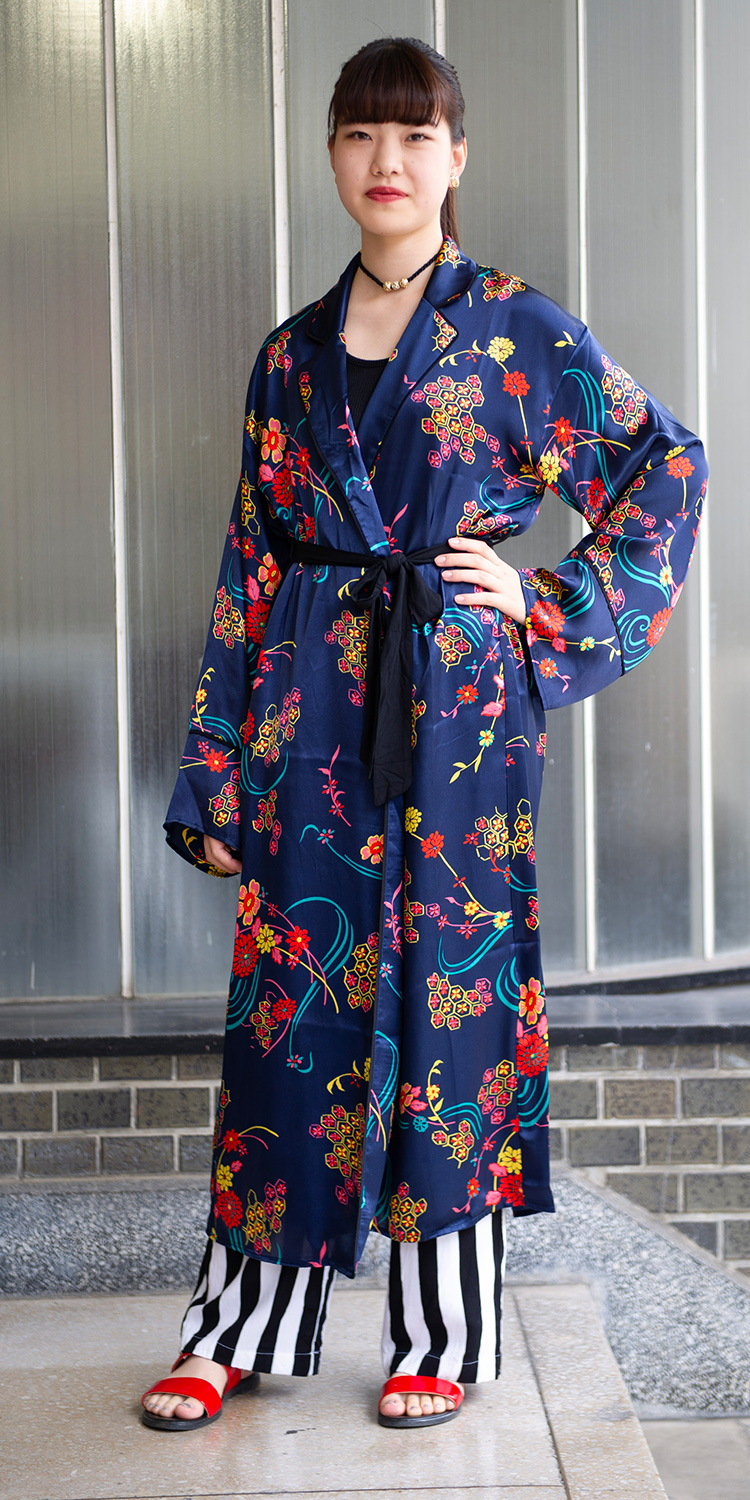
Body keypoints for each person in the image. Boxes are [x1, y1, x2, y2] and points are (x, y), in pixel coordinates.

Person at [141, 36, 707, 1433]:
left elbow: (664, 466)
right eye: (358, 135)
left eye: (411, 135)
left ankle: (442, 1334)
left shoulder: (520, 330)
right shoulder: (289, 356)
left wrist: (542, 601)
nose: (384, 161)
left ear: (455, 158)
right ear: (333, 157)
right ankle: (234, 1325)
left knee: (449, 1007)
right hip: (307, 709)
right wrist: (215, 768)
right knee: (291, 1013)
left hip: (458, 713)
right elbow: (249, 563)